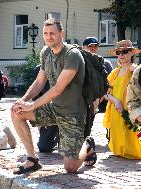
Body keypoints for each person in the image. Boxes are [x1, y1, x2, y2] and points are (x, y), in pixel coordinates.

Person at [11, 18, 96, 174]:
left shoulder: (72, 55)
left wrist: (32, 105)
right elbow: (39, 82)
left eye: (52, 33)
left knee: (70, 167)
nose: (48, 37)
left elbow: (58, 89)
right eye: (45, 33)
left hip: (73, 114)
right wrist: (22, 101)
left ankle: (87, 144)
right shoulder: (46, 53)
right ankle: (32, 159)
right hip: (54, 108)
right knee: (16, 112)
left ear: (61, 34)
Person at [103, 40, 141, 159]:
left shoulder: (136, 70)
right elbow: (105, 92)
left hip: (132, 110)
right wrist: (116, 101)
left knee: (134, 138)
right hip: (116, 109)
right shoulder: (114, 72)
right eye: (119, 52)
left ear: (131, 53)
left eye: (124, 52)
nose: (121, 55)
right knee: (118, 139)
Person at [32, 64, 59, 153]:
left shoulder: (69, 64)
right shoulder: (38, 70)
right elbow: (36, 96)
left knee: (68, 150)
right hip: (50, 112)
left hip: (68, 111)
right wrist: (40, 122)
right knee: (44, 147)